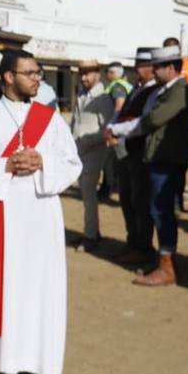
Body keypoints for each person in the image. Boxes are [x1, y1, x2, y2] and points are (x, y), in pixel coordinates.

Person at [0, 50, 81, 374]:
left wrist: (43, 162)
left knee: (39, 286)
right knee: (1, 287)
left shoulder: (50, 119)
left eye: (39, 73)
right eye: (30, 73)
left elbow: (72, 162)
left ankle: (37, 362)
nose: (37, 79)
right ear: (9, 77)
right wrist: (5, 165)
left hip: (40, 214)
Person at [108, 44, 188, 286]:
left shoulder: (180, 90)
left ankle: (167, 266)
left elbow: (153, 119)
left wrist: (117, 130)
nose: (152, 71)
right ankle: (162, 261)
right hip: (159, 157)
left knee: (161, 211)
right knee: (156, 209)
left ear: (171, 67)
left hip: (168, 158)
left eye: (157, 67)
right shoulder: (164, 90)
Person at [107, 49, 157, 263]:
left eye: (143, 65)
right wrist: (111, 128)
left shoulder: (154, 90)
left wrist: (115, 130)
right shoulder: (136, 88)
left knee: (140, 201)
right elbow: (121, 114)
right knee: (127, 199)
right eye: (138, 65)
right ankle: (133, 242)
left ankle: (143, 246)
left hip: (139, 150)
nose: (138, 69)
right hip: (126, 149)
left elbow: (143, 122)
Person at [71, 62, 115, 252]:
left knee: (88, 193)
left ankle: (90, 236)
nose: (84, 78)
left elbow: (107, 129)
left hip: (95, 150)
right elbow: (75, 121)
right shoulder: (82, 94)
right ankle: (92, 231)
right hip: (80, 149)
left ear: (98, 74)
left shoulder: (103, 98)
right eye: (82, 74)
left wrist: (86, 140)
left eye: (88, 73)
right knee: (85, 193)